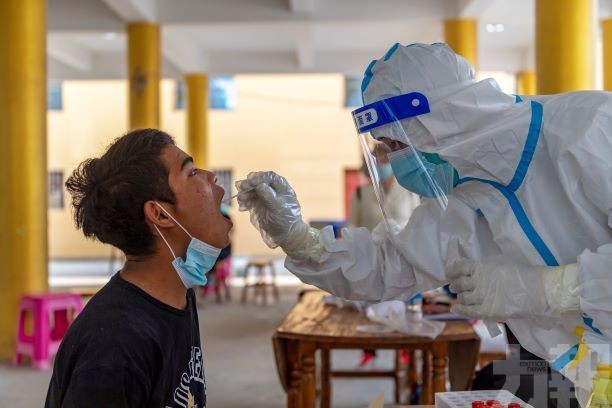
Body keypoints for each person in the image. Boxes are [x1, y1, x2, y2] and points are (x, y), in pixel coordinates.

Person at [236, 43, 612, 407]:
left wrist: (548, 290)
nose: (393, 163)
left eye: (396, 146)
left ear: (441, 119)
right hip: (593, 377)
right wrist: (300, 239)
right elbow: (391, 265)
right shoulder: (463, 196)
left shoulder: (589, 128)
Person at [45, 129, 232, 408]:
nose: (211, 176)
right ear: (159, 214)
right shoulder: (114, 350)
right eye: (191, 172)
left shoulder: (178, 295)